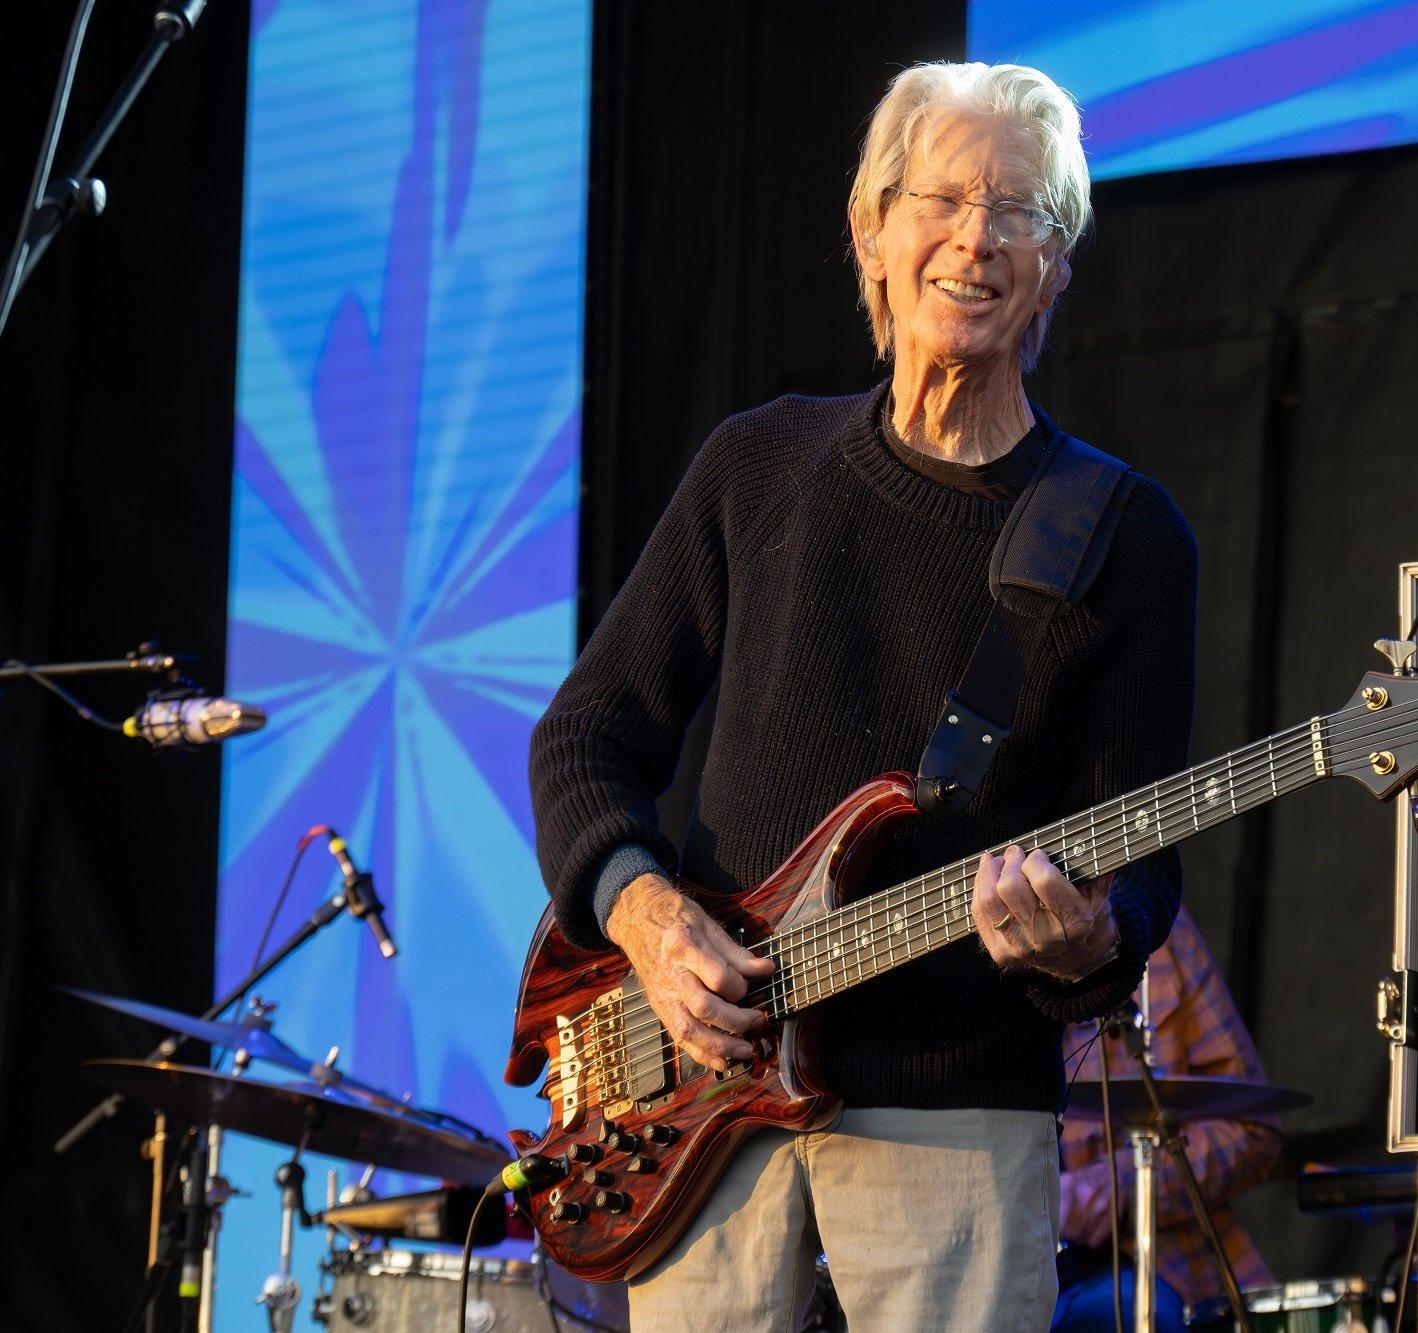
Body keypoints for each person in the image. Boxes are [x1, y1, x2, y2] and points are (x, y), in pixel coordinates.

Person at [528, 61, 1199, 1332]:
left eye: (1020, 214)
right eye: (941, 199)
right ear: (871, 232)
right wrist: (651, 919)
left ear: (1057, 265)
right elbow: (585, 738)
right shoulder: (757, 466)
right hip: (701, 1106)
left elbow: (1145, 861)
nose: (975, 239)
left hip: (954, 1121)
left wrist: (1088, 943)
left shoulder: (1125, 534)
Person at [1054, 910, 1284, 1332]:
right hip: (983, 1266)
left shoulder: (1148, 922)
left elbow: (1251, 1129)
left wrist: (1109, 1189)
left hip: (1142, 1267)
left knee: (1112, 1315)